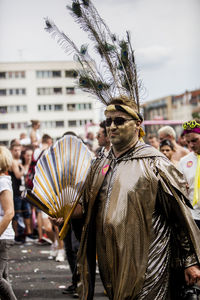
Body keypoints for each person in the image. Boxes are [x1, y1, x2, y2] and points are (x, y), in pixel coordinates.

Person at [45, 1, 200, 299]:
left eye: (119, 121)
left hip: (150, 260)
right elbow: (90, 206)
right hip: (111, 261)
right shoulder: (100, 162)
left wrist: (190, 260)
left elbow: (180, 216)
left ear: (137, 124)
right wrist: (67, 215)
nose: (111, 127)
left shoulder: (156, 164)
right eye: (107, 122)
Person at [0, 146, 17, 300]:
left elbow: (9, 212)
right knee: (4, 275)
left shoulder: (3, 182)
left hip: (2, 236)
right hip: (3, 235)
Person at [178, 119, 200, 229]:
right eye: (187, 142)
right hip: (194, 215)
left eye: (195, 140)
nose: (191, 145)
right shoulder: (184, 161)